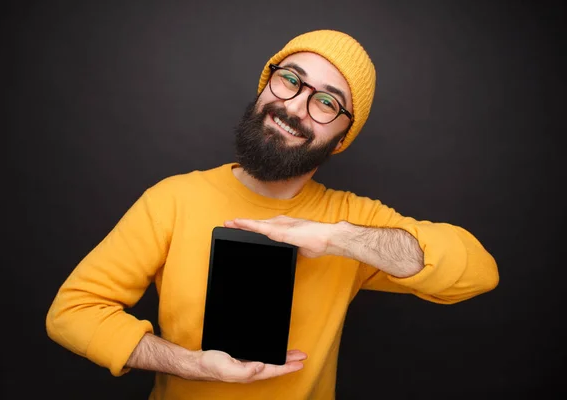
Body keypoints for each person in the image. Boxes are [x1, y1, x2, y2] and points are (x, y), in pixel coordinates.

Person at [46, 29, 499, 399]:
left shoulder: (350, 218)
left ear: (343, 138)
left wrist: (336, 238)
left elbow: (478, 272)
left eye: (326, 103)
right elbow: (72, 313)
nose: (295, 107)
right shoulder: (173, 199)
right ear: (266, 84)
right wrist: (190, 365)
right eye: (290, 80)